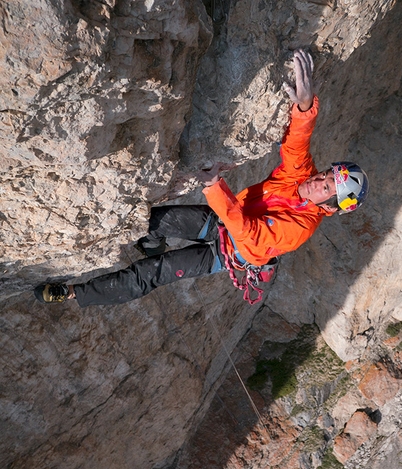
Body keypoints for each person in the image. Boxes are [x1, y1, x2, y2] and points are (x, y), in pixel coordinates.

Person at [34, 49, 368, 307]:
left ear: (331, 206)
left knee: (152, 274)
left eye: (325, 187)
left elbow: (248, 233)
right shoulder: (302, 178)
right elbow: (296, 146)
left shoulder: (300, 229)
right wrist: (306, 107)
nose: (316, 181)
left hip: (227, 253)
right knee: (152, 219)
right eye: (325, 174)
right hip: (223, 222)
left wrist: (214, 186)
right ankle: (151, 242)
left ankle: (74, 293)